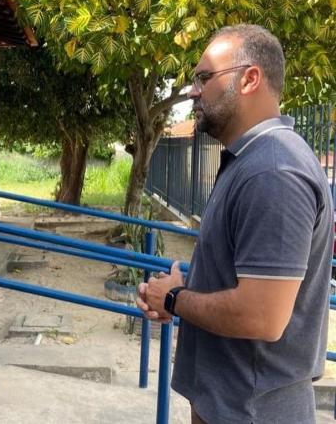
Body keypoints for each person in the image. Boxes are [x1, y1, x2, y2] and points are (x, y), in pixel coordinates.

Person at [137, 24, 333, 424]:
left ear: (249, 79)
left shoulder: (273, 170)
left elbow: (261, 316)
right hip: (232, 404)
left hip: (251, 411)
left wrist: (174, 300)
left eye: (204, 78)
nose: (194, 90)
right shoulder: (253, 160)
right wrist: (183, 297)